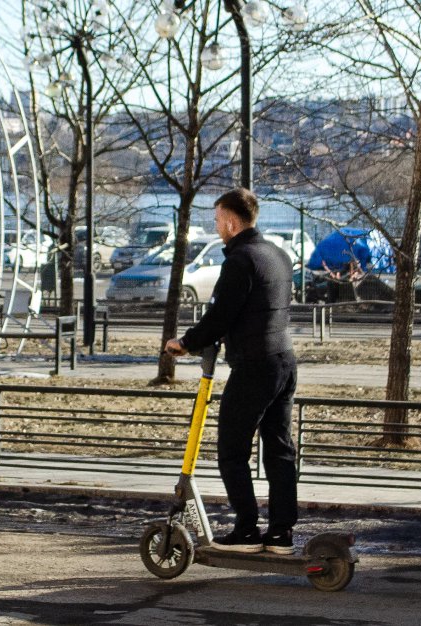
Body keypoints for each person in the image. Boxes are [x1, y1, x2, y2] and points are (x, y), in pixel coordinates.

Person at [164, 188, 298, 555]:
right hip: (284, 361)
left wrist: (186, 343)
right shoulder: (278, 255)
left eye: (217, 218)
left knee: (232, 451)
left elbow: (221, 315)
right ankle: (282, 532)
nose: (216, 224)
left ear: (231, 221)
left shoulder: (240, 260)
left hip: (254, 366)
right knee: (279, 448)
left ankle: (246, 528)